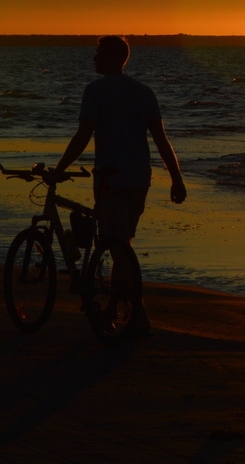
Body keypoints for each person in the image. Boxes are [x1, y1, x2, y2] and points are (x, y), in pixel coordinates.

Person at [51, 35, 185, 337]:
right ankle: (113, 309)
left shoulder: (95, 91)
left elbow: (84, 134)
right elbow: (161, 140)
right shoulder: (143, 92)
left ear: (112, 57)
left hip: (110, 178)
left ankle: (137, 311)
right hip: (140, 178)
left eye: (98, 53)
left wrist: (59, 169)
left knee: (118, 244)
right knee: (123, 244)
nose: (94, 59)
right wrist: (176, 178)